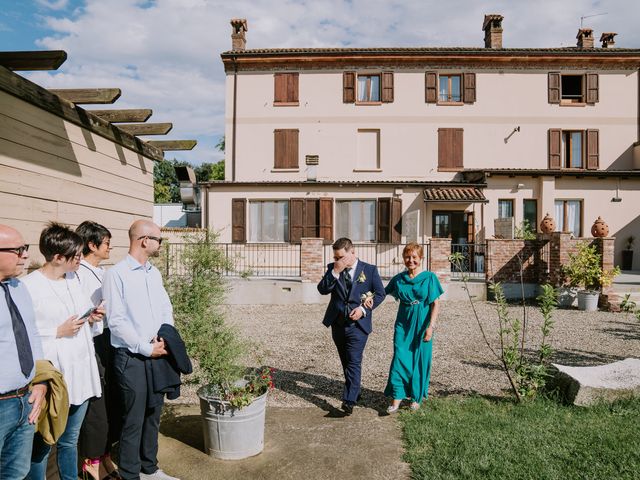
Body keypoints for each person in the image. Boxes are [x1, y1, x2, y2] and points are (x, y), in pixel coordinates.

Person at [22, 222, 104, 480]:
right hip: (55, 376)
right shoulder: (28, 287)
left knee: (71, 440)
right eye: (75, 256)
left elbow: (80, 319)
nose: (80, 260)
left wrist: (91, 318)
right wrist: (56, 332)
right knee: (44, 441)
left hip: (81, 370)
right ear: (57, 257)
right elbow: (22, 336)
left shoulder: (73, 279)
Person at [103, 220, 179, 480]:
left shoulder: (153, 273)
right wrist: (145, 348)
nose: (160, 244)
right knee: (133, 419)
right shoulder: (116, 274)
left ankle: (150, 468)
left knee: (153, 413)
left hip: (158, 351)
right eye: (159, 239)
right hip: (132, 357)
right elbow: (116, 321)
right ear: (144, 240)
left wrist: (165, 337)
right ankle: (130, 473)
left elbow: (165, 307)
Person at [317, 237, 385, 415]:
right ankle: (356, 391)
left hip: (358, 325)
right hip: (337, 323)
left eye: (340, 257)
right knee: (345, 361)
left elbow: (380, 294)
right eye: (335, 258)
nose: (337, 261)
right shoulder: (333, 269)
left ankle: (348, 401)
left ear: (352, 253)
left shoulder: (369, 270)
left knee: (354, 361)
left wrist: (363, 309)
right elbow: (322, 289)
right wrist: (335, 272)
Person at [75, 221, 121, 480]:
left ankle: (104, 456)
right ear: (92, 245)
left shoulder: (101, 271)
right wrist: (93, 314)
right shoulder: (79, 274)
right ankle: (91, 461)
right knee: (97, 402)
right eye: (106, 243)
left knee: (110, 400)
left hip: (107, 339)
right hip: (90, 342)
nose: (109, 247)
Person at [0, 225, 47, 480]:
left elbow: (32, 335)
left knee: (17, 474)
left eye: (25, 248)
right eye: (18, 250)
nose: (25, 255)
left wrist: (39, 382)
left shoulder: (19, 287)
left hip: (26, 400)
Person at [378, 243, 443, 413]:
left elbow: (436, 304)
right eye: (407, 257)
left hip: (422, 324)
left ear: (421, 259)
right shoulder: (399, 279)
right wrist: (365, 296)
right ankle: (397, 399)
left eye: (414, 257)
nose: (411, 260)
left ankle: (416, 397)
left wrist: (431, 327)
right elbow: (381, 293)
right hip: (403, 325)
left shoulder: (429, 278)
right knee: (399, 358)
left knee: (420, 360)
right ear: (403, 259)